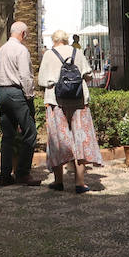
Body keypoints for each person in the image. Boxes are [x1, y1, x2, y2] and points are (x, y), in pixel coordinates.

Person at [37, 29, 102, 193]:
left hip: (56, 102)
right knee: (80, 138)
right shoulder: (77, 52)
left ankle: (58, 181)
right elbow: (88, 74)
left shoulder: (48, 54)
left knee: (57, 140)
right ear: (66, 40)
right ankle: (80, 183)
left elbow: (42, 80)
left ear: (54, 41)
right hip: (79, 101)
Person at [0, 21, 42, 187]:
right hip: (16, 93)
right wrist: (29, 96)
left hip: (2, 92)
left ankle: (5, 175)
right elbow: (25, 76)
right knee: (30, 133)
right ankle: (22, 173)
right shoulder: (21, 50)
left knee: (7, 136)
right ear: (23, 34)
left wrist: (0, 93)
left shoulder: (1, 50)